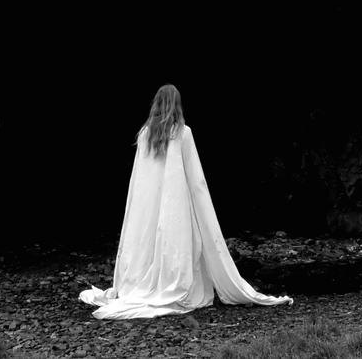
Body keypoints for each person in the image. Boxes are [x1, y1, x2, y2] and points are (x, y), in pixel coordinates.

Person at [79, 84, 293, 320]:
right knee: (178, 243)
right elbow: (194, 175)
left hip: (148, 206)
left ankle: (142, 282)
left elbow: (138, 180)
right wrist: (202, 208)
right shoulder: (182, 132)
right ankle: (175, 283)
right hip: (175, 204)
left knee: (149, 242)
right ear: (178, 104)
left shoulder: (144, 133)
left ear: (156, 104)